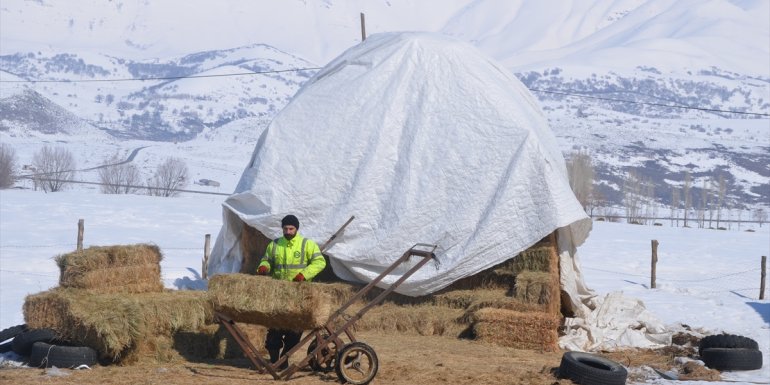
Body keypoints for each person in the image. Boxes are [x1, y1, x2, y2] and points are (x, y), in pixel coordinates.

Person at [256, 214, 326, 369]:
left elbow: (320, 262)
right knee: (274, 330)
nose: (288, 231)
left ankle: (284, 358)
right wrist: (263, 267)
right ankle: (275, 361)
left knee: (294, 332)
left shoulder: (307, 244)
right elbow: (266, 260)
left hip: (299, 294)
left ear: (297, 229)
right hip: (279, 294)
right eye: (285, 228)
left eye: (291, 228)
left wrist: (304, 274)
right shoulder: (274, 244)